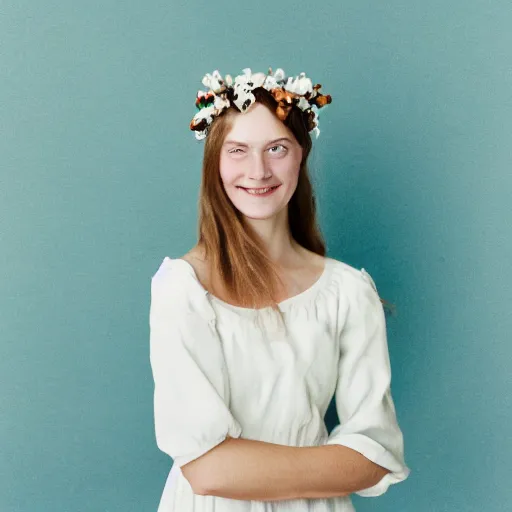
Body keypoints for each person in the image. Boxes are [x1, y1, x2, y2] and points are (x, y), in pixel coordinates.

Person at [149, 67, 411, 511]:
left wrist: (239, 463)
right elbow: (206, 469)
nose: (258, 170)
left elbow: (376, 453)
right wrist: (334, 462)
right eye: (238, 150)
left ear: (300, 156)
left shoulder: (348, 292)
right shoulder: (184, 288)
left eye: (276, 149)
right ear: (215, 161)